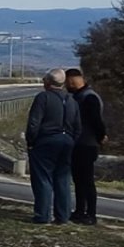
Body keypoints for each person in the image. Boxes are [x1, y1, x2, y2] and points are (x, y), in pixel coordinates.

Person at [24, 69, 81, 225]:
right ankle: (63, 216)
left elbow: (34, 123)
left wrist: (31, 141)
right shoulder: (71, 101)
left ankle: (43, 215)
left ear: (48, 82)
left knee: (43, 178)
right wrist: (72, 141)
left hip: (46, 141)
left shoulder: (43, 98)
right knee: (63, 179)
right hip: (67, 142)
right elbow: (78, 127)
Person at [66, 68, 107, 225]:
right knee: (79, 180)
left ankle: (91, 214)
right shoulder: (80, 96)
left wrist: (101, 136)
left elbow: (96, 121)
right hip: (80, 143)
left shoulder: (89, 98)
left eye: (67, 83)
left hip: (87, 144)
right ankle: (79, 211)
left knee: (87, 180)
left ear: (72, 80)